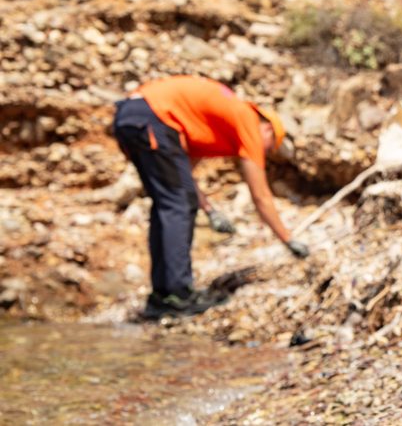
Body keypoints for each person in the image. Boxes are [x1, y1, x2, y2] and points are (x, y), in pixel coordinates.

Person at [112, 75, 309, 319]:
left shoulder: (210, 123)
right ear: (267, 128)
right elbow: (261, 196)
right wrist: (288, 240)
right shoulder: (247, 119)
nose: (266, 153)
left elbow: (185, 179)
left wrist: (210, 210)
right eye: (269, 147)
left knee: (168, 203)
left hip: (132, 116)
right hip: (152, 116)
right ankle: (178, 295)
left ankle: (162, 296)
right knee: (177, 205)